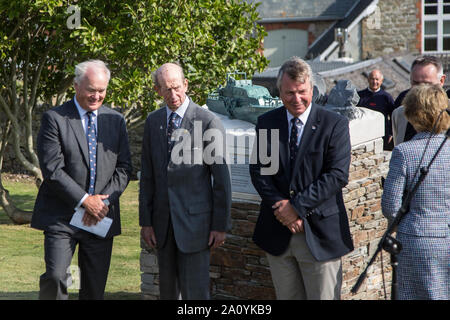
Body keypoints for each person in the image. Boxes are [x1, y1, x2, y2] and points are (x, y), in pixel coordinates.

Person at [249, 57, 354, 300]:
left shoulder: (334, 125)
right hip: (278, 233)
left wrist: (296, 208)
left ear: (311, 89)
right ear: (279, 92)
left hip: (319, 234)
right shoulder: (269, 123)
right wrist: (282, 210)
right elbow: (261, 171)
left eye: (302, 92)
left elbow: (337, 175)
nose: (296, 99)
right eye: (289, 93)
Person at [32, 60, 132, 299]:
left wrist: (102, 203)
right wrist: (85, 200)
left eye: (102, 90)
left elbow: (124, 168)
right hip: (61, 217)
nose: (97, 96)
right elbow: (53, 170)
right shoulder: (54, 118)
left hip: (100, 217)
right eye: (91, 89)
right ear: (76, 86)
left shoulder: (115, 120)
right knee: (56, 278)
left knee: (94, 289)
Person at [139, 62, 231, 300]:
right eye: (167, 89)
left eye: (177, 87)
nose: (173, 94)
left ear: (186, 85)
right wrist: (146, 222)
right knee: (168, 293)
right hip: (162, 226)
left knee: (196, 295)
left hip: (196, 227)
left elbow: (221, 180)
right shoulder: (152, 122)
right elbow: (147, 177)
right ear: (157, 90)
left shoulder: (208, 122)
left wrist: (220, 225)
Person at [381, 84, 449, 300]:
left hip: (416, 239)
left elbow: (390, 206)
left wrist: (406, 223)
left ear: (412, 114)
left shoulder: (404, 152)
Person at [392, 55, 446, 146]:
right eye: (416, 83)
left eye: (427, 84)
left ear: (441, 81)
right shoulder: (399, 115)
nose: (420, 90)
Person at [357, 69, 395, 150]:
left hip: (382, 135)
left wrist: (391, 134)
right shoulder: (360, 96)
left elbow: (394, 116)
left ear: (382, 81)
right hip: (363, 134)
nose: (374, 82)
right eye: (372, 79)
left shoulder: (386, 97)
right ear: (368, 79)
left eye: (377, 79)